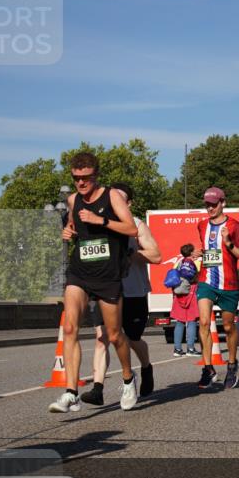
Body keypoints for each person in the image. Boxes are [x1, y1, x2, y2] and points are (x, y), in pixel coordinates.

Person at [50, 153, 139, 413]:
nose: (80, 183)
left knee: (113, 335)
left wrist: (100, 220)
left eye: (85, 178)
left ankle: (128, 378)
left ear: (96, 175)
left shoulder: (112, 196)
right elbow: (72, 225)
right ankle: (70, 392)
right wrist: (67, 231)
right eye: (76, 178)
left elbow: (131, 228)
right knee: (69, 328)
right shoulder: (72, 200)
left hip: (108, 276)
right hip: (80, 272)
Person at [79, 183, 162, 408]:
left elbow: (156, 256)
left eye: (119, 198)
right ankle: (97, 389)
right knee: (102, 338)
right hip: (105, 290)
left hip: (133, 292)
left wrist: (130, 254)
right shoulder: (99, 223)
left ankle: (146, 367)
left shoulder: (136, 225)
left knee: (132, 339)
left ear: (128, 204)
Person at [192, 186, 239, 390]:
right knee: (204, 322)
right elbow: (209, 252)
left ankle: (232, 364)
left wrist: (229, 245)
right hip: (206, 281)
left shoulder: (235, 227)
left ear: (223, 203)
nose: (210, 208)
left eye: (214, 204)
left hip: (229, 284)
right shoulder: (201, 226)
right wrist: (200, 253)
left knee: (228, 326)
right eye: (207, 204)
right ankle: (208, 368)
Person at [171, 244, 200, 356]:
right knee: (191, 321)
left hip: (179, 294)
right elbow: (195, 278)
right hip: (190, 293)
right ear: (191, 252)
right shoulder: (192, 263)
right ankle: (190, 348)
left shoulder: (179, 263)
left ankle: (177, 349)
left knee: (180, 321)